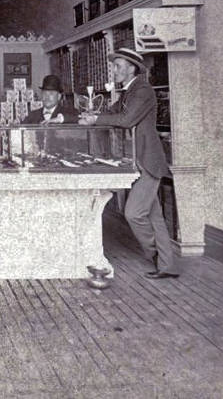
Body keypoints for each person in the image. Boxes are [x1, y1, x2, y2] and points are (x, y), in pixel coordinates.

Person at [78, 48, 178, 279]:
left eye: (118, 66)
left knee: (133, 213)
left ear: (132, 67)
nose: (114, 70)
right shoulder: (127, 92)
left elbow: (126, 119)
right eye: (113, 66)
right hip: (136, 159)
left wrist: (96, 119)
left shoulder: (142, 90)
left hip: (147, 160)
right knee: (154, 216)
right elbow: (112, 113)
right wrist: (91, 116)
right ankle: (167, 265)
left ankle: (154, 254)